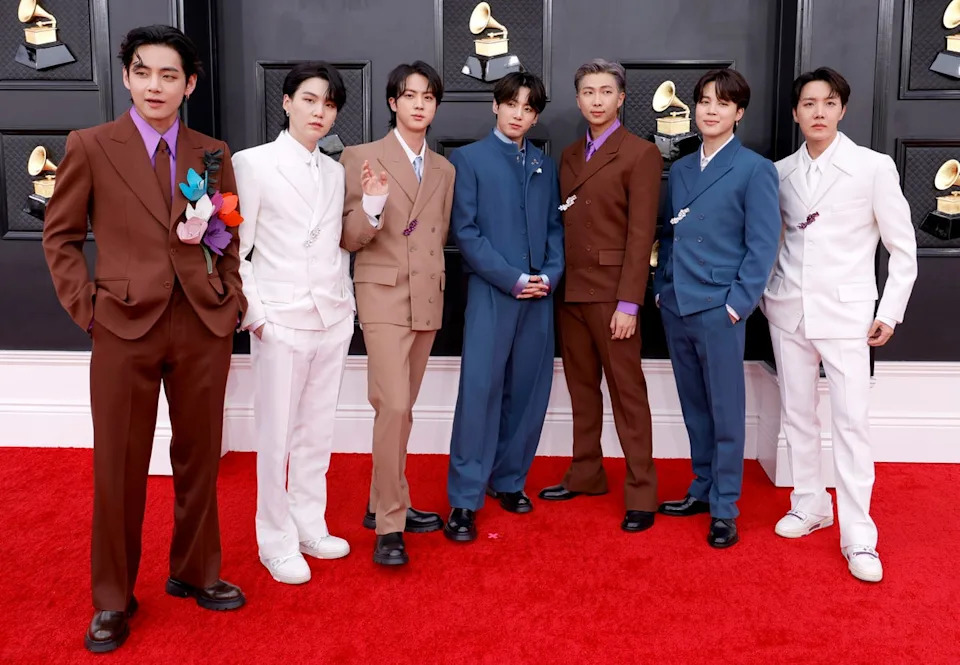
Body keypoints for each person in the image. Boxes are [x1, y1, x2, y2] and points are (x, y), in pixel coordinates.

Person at [42, 25, 247, 653]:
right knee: (119, 468)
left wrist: (230, 296)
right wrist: (90, 310)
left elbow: (227, 233)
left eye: (169, 75)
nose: (155, 85)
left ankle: (195, 571)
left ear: (188, 85)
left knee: (200, 457)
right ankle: (112, 598)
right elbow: (62, 237)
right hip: (122, 325)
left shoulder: (213, 152)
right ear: (128, 76)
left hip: (201, 324)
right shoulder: (91, 145)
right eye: (143, 72)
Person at [761, 67, 917, 582]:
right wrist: (768, 296)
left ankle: (859, 535)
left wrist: (888, 311)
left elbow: (902, 249)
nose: (819, 112)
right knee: (798, 415)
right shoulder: (779, 172)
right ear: (795, 112)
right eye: (809, 104)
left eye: (829, 103)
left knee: (851, 424)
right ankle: (810, 504)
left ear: (842, 110)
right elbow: (772, 243)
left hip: (850, 316)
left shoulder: (873, 168)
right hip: (788, 310)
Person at [233, 61, 353, 585]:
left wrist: (345, 307)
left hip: (331, 317)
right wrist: (258, 317)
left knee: (316, 433)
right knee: (275, 437)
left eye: (328, 104)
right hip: (279, 320)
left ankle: (309, 524)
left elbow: (333, 246)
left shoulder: (335, 170)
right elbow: (237, 250)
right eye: (309, 99)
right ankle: (274, 540)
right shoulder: (252, 163)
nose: (319, 111)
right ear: (286, 102)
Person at [653, 68, 780, 549]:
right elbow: (669, 234)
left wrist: (737, 306)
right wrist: (662, 289)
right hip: (677, 304)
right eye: (704, 101)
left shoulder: (754, 168)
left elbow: (763, 245)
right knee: (695, 407)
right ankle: (702, 489)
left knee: (726, 410)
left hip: (719, 307)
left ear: (738, 112)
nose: (710, 109)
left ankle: (725, 506)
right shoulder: (682, 168)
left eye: (722, 103)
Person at [538, 59, 662, 533]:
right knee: (581, 390)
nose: (596, 100)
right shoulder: (568, 155)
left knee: (628, 395)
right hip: (571, 291)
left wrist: (630, 303)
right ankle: (586, 472)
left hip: (614, 296)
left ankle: (641, 492)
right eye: (587, 91)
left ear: (621, 97)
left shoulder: (640, 153)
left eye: (605, 91)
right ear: (578, 98)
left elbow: (640, 234)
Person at [340, 61, 455, 566]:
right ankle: (390, 523)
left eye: (428, 97)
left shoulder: (444, 170)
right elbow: (348, 238)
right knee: (392, 405)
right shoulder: (360, 157)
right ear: (393, 102)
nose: (418, 105)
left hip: (427, 297)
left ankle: (381, 501)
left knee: (402, 408)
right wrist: (371, 205)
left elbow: (440, 236)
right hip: (383, 296)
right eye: (409, 96)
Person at [443, 72, 565, 543]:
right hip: (493, 293)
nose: (519, 114)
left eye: (529, 108)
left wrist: (549, 276)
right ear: (496, 106)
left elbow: (555, 227)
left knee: (529, 390)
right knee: (480, 392)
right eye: (511, 104)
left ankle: (509, 480)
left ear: (535, 116)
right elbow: (466, 233)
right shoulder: (469, 160)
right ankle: (464, 499)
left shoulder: (543, 164)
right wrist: (511, 279)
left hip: (539, 295)